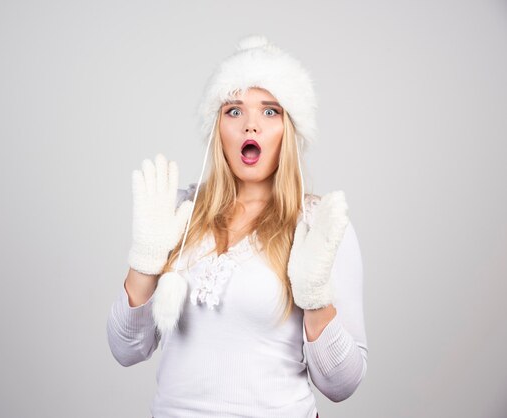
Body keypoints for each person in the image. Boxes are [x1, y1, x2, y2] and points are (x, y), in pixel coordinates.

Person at [106, 35, 368, 418]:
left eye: (269, 111)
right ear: (217, 128)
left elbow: (342, 384)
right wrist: (145, 259)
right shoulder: (179, 211)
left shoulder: (319, 227)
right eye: (233, 111)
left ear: (289, 129)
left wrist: (315, 298)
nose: (250, 127)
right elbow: (125, 350)